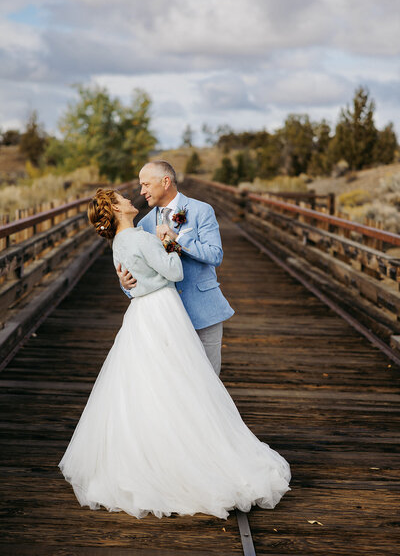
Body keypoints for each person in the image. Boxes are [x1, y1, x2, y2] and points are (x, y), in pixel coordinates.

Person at [58, 187, 291, 519]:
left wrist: (137, 275)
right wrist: (168, 242)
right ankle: (192, 456)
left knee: (154, 385)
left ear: (165, 181)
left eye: (142, 186)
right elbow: (173, 272)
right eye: (123, 198)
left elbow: (199, 257)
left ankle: (157, 452)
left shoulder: (123, 240)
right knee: (186, 382)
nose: (133, 196)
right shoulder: (140, 236)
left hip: (148, 314)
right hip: (163, 312)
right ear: (115, 209)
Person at [117, 160, 234, 376]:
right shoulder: (143, 225)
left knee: (209, 380)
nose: (142, 192)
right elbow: (136, 271)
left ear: (165, 181)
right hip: (166, 317)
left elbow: (215, 255)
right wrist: (126, 284)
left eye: (146, 185)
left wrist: (178, 239)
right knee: (175, 382)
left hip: (204, 313)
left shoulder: (201, 211)